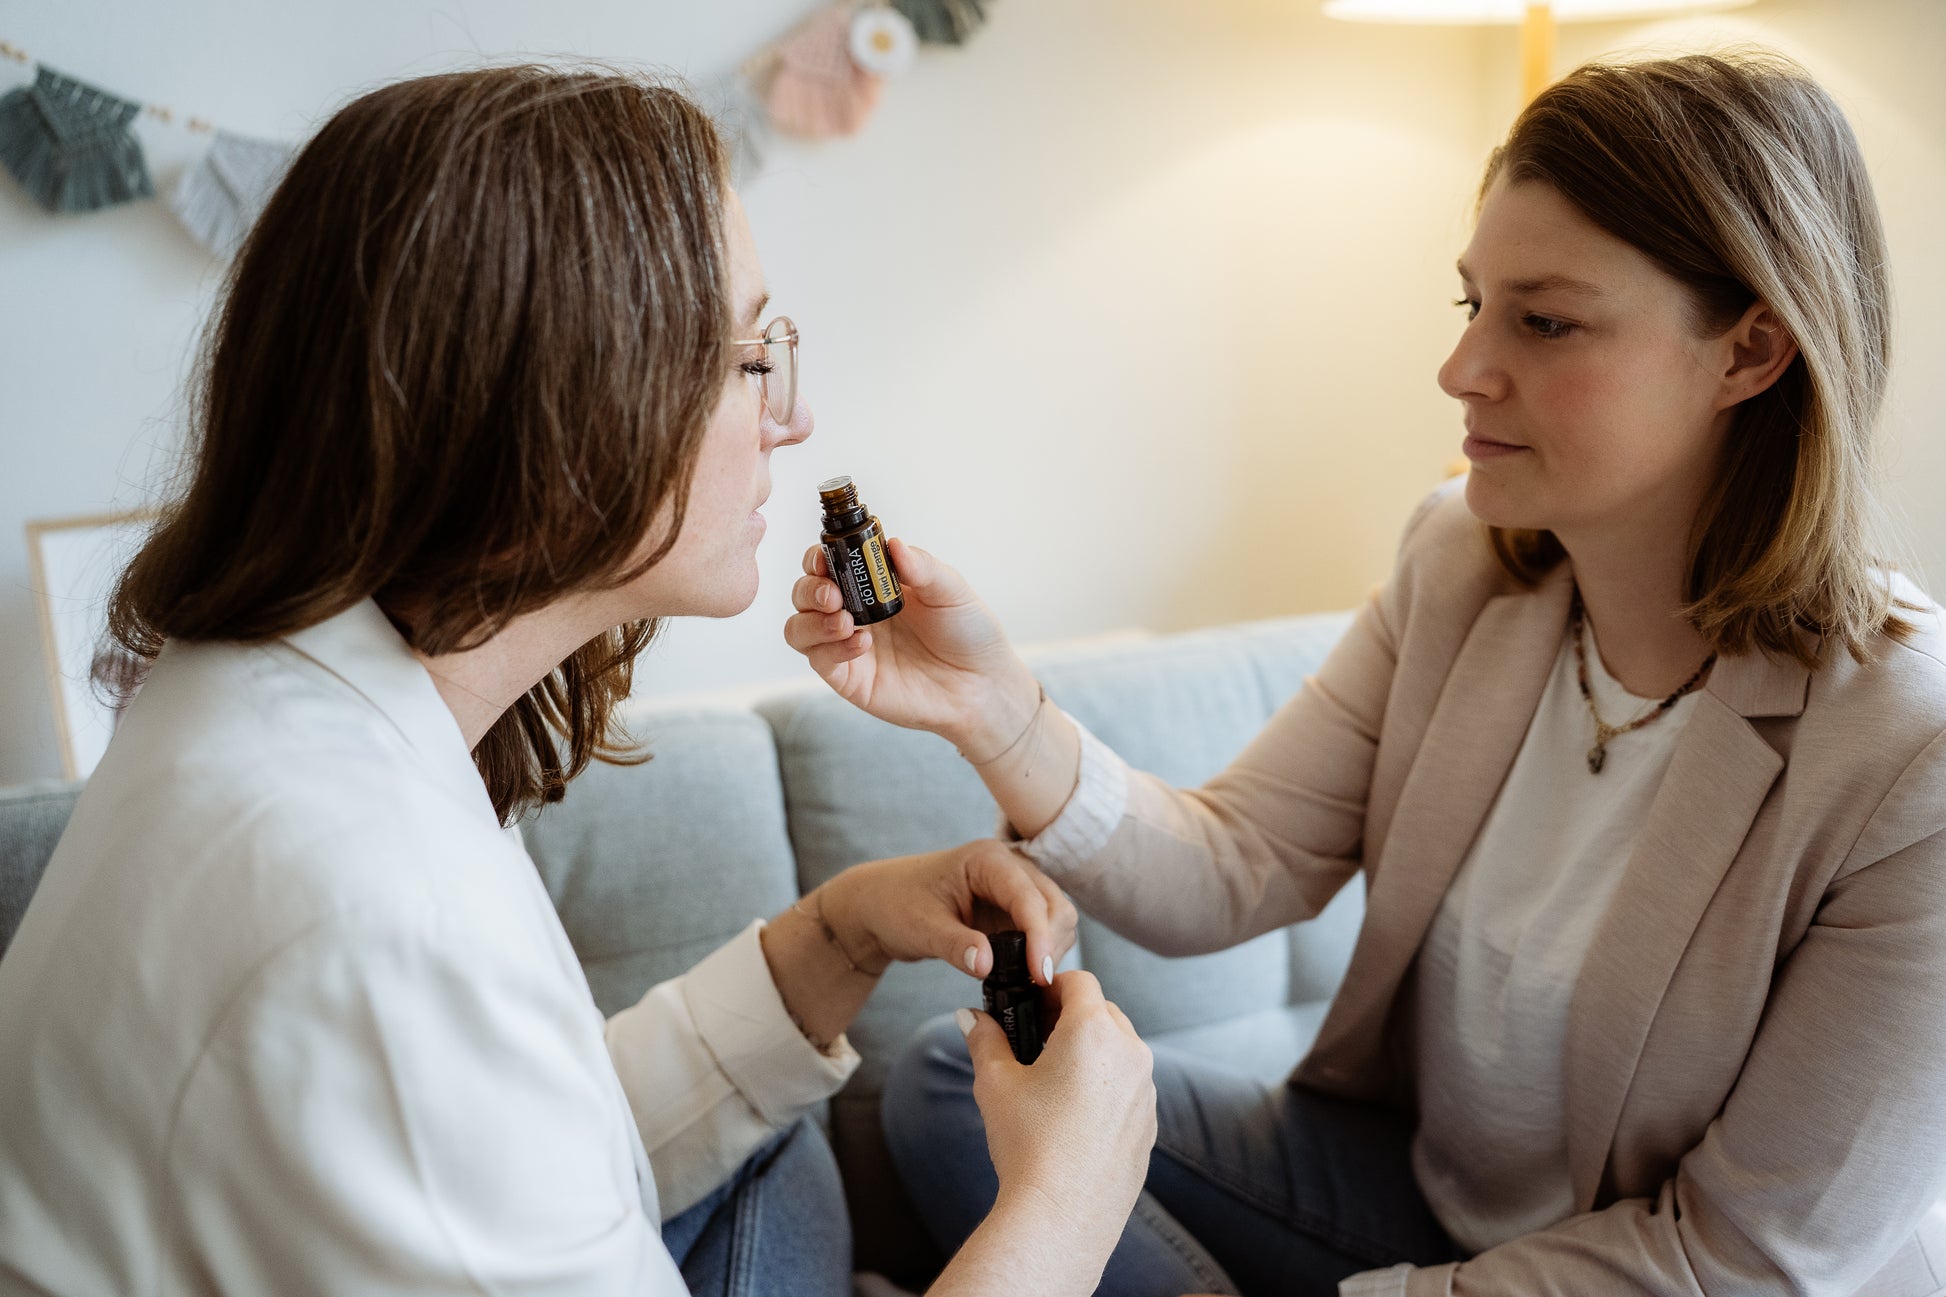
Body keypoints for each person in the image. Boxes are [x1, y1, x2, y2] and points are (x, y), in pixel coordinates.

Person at [784, 51, 1946, 1297]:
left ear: (1750, 352)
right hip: (1418, 1198)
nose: (1460, 368)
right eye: (1471, 304)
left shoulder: (1907, 756)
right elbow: (1236, 862)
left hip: (1653, 1274)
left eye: (1544, 321)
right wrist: (993, 709)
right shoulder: (1461, 563)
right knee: (954, 1079)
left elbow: (1738, 1259)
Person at [0, 66, 1159, 1297]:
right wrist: (1064, 1202)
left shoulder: (275, 693)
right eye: (749, 358)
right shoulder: (374, 915)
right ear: (566, 403)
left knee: (776, 1153)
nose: (791, 416)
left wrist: (836, 932)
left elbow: (525, 1153)